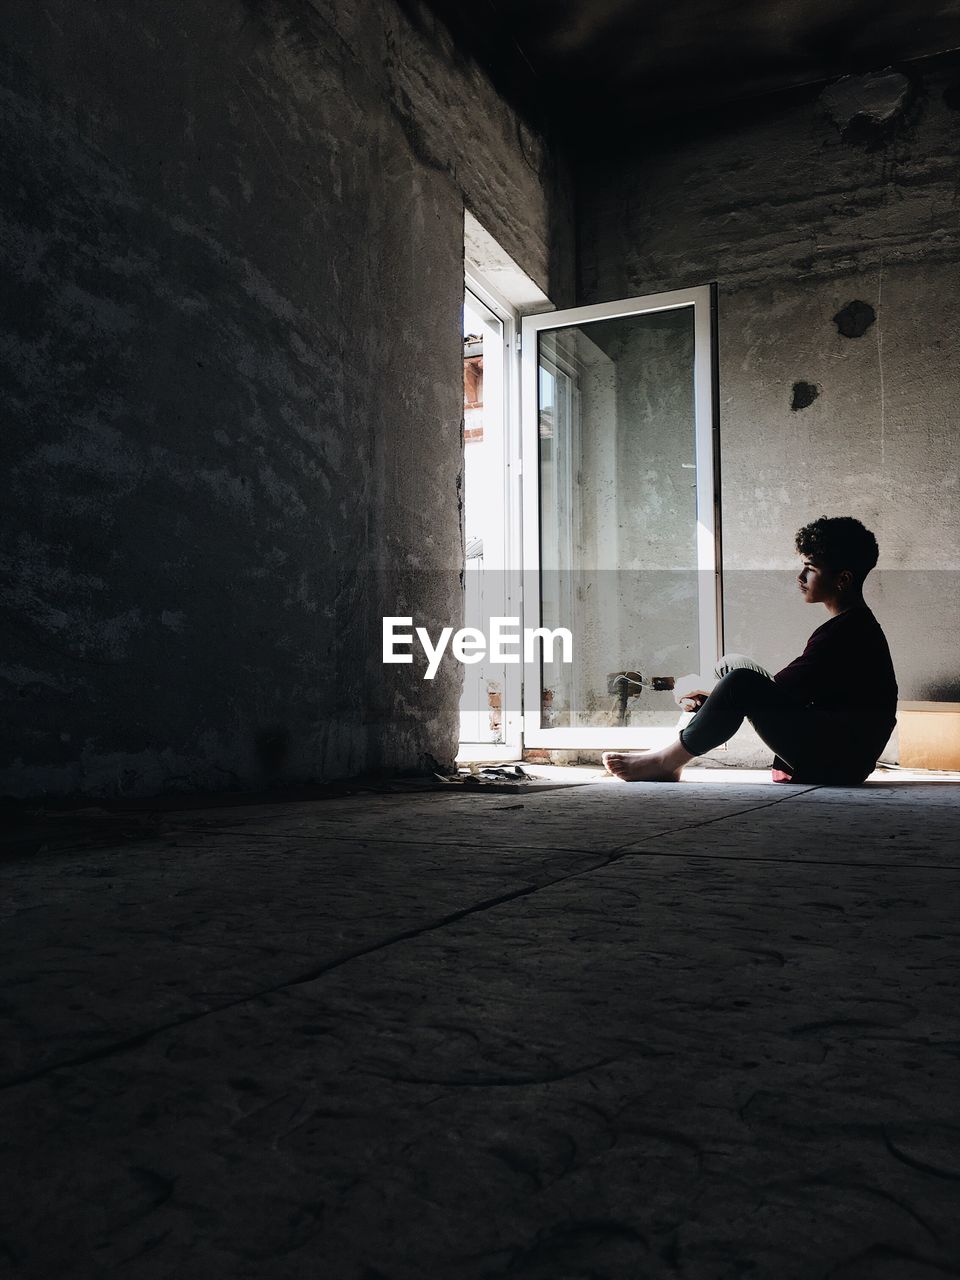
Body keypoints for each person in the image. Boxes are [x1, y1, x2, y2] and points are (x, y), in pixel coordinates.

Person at [602, 516, 898, 785]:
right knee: (732, 666)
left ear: (842, 580)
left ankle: (667, 760)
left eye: (810, 569)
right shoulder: (854, 625)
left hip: (837, 763)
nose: (800, 578)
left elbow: (772, 693)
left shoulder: (844, 635)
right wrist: (711, 694)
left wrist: (711, 694)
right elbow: (790, 691)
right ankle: (671, 752)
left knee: (739, 682)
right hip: (841, 753)